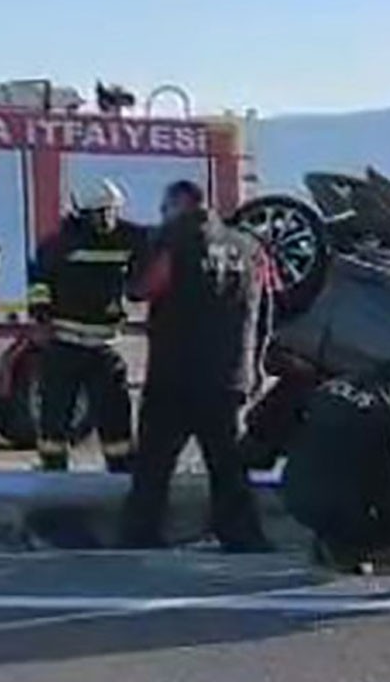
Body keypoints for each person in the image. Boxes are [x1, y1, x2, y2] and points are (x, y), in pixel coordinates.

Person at [121, 179, 277, 552]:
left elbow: (142, 288)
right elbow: (269, 307)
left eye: (164, 210)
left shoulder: (174, 242)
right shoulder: (250, 247)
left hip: (175, 373)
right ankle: (241, 536)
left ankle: (141, 533)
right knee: (227, 465)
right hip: (229, 376)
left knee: (154, 464)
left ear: (177, 207)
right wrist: (254, 366)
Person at [28, 178, 147, 472]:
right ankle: (53, 472)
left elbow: (150, 261)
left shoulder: (130, 238)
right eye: (100, 213)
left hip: (105, 347)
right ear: (82, 214)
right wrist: (41, 319)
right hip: (64, 345)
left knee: (116, 419)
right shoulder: (58, 246)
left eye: (111, 211)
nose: (107, 219)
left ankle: (120, 474)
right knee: (55, 418)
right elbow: (39, 285)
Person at [282, 358, 390, 574]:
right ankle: (348, 549)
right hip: (337, 503)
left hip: (293, 491)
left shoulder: (324, 390)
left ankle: (330, 537)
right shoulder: (387, 413)